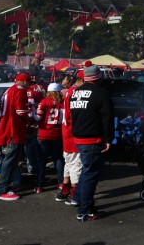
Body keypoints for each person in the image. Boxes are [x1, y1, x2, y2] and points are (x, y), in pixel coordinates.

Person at [70, 63, 115, 221]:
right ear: (98, 77)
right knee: (91, 174)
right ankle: (86, 210)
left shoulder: (76, 92)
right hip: (92, 139)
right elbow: (107, 118)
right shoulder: (101, 93)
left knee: (86, 170)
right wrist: (109, 139)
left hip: (78, 137)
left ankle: (77, 198)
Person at [0, 72, 31, 201]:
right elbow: (21, 111)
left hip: (5, 130)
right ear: (25, 82)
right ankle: (1, 190)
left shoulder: (8, 90)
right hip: (12, 131)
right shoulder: (19, 90)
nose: (29, 85)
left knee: (7, 160)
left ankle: (5, 188)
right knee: (9, 162)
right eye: (29, 82)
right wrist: (30, 121)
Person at [58, 70, 84, 204]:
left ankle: (64, 189)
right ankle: (74, 193)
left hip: (66, 131)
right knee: (76, 164)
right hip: (72, 131)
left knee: (68, 162)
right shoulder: (75, 92)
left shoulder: (67, 91)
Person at [34, 83, 65, 193]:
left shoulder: (44, 101)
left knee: (42, 160)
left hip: (44, 134)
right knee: (59, 159)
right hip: (58, 134)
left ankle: (39, 185)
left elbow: (37, 117)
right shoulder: (63, 102)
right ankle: (61, 183)